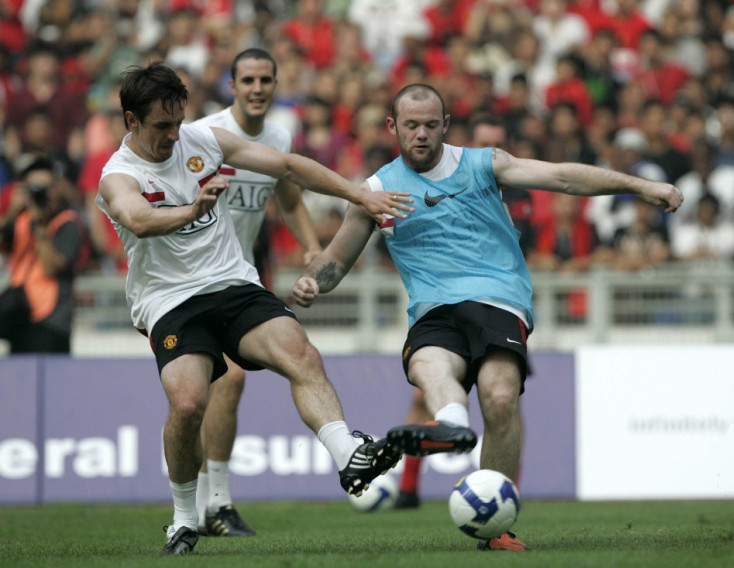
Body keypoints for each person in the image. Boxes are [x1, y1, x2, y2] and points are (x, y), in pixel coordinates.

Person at [292, 84, 683, 552]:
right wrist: (314, 280)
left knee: (499, 400)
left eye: (431, 125)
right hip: (434, 310)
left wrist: (641, 186)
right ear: (393, 127)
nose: (421, 135)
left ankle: (495, 528)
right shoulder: (377, 190)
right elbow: (336, 262)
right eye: (411, 126)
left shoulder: (482, 163)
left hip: (497, 301)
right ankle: (454, 427)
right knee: (429, 366)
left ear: (446, 125)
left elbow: (562, 177)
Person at [96, 62, 411, 556]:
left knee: (299, 352)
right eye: (161, 126)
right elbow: (136, 219)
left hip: (230, 282)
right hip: (170, 301)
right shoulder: (119, 174)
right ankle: (184, 518)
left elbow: (287, 167)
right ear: (131, 121)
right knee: (188, 403)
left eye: (178, 122)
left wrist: (359, 195)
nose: (174, 136)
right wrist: (193, 211)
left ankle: (348, 452)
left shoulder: (204, 140)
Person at [190, 48, 323, 537]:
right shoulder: (204, 136)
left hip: (238, 280)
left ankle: (209, 505)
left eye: (266, 79)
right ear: (232, 85)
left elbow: (289, 196)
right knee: (209, 390)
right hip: (192, 282)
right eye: (248, 79)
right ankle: (210, 505)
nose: (258, 88)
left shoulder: (279, 136)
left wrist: (312, 247)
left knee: (220, 386)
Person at [392, 112, 534, 510]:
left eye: (498, 140)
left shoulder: (519, 191)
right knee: (427, 390)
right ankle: (408, 487)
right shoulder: (457, 175)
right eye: (485, 140)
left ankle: (502, 494)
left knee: (504, 399)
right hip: (442, 302)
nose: (492, 147)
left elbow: (528, 246)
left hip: (499, 303)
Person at [0, 157, 84, 353]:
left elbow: (52, 268)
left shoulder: (67, 223)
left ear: (55, 190)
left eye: (45, 188)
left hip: (51, 322)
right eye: (33, 189)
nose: (40, 194)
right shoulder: (21, 219)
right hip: (21, 317)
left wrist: (40, 226)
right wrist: (12, 212)